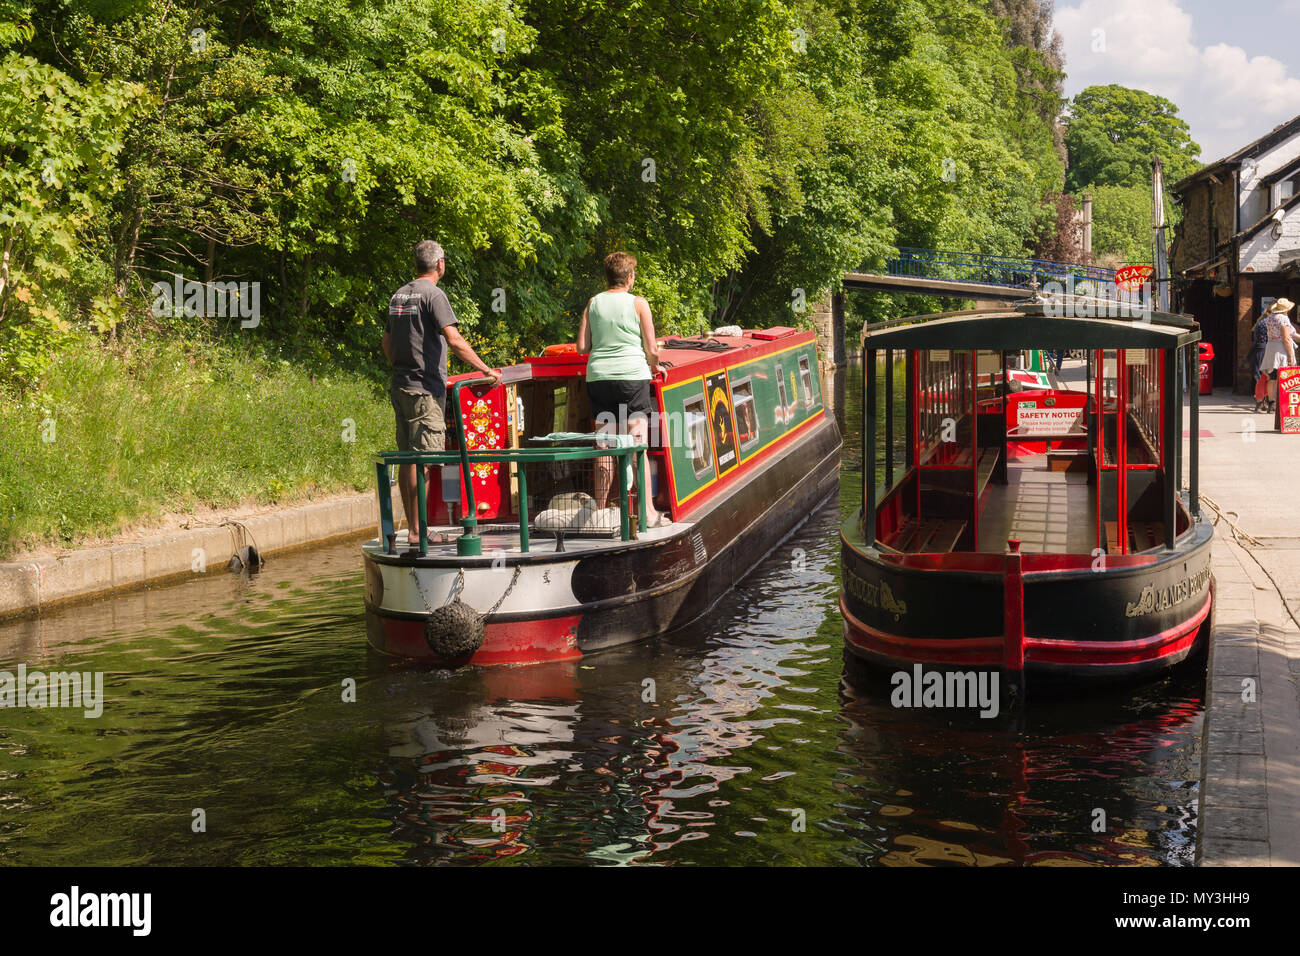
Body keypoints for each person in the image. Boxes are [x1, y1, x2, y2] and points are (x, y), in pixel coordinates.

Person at [382, 240, 500, 547]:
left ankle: (412, 528)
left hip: (401, 385)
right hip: (424, 390)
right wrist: (486, 370)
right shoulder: (433, 295)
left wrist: (401, 365)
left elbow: (386, 341)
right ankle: (419, 532)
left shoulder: (399, 295)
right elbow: (455, 340)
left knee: (409, 458)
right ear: (440, 264)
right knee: (426, 457)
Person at [576, 251, 669, 528]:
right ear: (629, 278)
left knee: (604, 445)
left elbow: (582, 347)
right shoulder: (638, 303)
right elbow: (651, 349)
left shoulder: (593, 303)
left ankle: (600, 514)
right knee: (637, 444)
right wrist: (656, 366)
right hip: (631, 378)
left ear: (608, 277)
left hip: (599, 378)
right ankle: (648, 514)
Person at [1259, 298, 1296, 414]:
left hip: (1271, 348)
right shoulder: (1284, 319)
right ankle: (1283, 403)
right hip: (1281, 349)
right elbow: (1286, 338)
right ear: (1286, 310)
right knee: (1285, 377)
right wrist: (1290, 355)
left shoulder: (1269, 318)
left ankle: (1271, 402)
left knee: (1272, 377)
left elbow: (1291, 335)